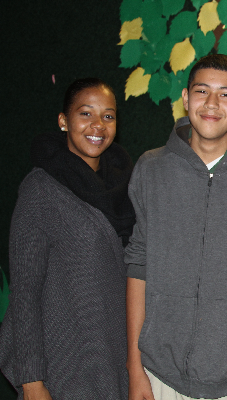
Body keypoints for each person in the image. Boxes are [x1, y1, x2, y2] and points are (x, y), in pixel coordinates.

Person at [125, 54, 227, 400]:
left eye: (226, 94)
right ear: (185, 98)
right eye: (201, 91)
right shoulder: (151, 168)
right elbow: (138, 266)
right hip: (158, 375)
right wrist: (134, 368)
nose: (212, 103)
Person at [0, 78, 134, 399]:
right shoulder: (41, 190)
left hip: (115, 361)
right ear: (64, 121)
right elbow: (25, 294)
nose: (97, 125)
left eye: (108, 116)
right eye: (85, 114)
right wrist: (32, 381)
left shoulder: (127, 187)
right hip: (62, 369)